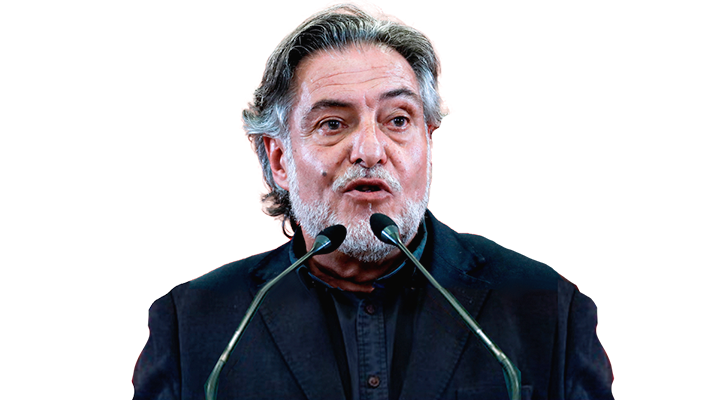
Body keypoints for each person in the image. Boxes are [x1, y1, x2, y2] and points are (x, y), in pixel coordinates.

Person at [133, 3, 613, 400]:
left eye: (398, 120)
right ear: (279, 160)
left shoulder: (544, 309)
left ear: (429, 145)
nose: (369, 150)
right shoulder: (194, 325)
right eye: (332, 124)